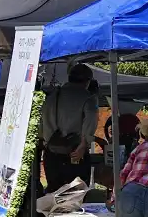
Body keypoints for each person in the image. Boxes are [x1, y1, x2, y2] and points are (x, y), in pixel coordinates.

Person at [42, 62, 103, 194]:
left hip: (51, 156)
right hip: (75, 154)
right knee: (76, 198)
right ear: (88, 81)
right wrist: (84, 144)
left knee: (54, 197)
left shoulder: (52, 97)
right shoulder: (88, 98)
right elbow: (91, 120)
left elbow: (42, 126)